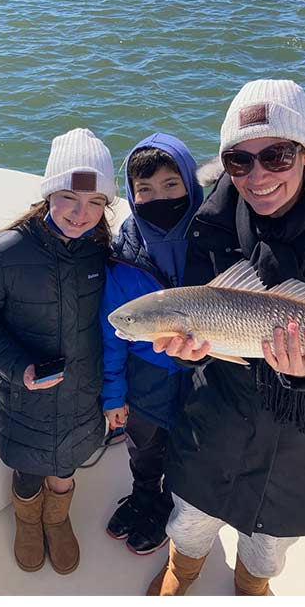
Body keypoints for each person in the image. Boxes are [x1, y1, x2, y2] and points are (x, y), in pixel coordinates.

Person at [147, 79, 305, 595]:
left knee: (269, 540)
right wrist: (191, 355)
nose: (257, 176)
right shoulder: (209, 219)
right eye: (239, 161)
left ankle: (252, 588)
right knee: (191, 516)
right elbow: (200, 319)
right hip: (217, 408)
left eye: (276, 156)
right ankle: (183, 569)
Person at [0, 128, 115, 575]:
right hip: (24, 396)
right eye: (68, 197)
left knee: (68, 464)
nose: (81, 214)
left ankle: (57, 519)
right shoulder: (3, 254)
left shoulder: (102, 252)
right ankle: (29, 520)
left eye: (96, 203)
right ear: (48, 195)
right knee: (27, 468)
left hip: (85, 393)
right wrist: (18, 367)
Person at [101, 133, 203, 554]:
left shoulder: (215, 243)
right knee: (144, 450)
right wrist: (113, 396)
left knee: (188, 454)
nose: (158, 197)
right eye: (144, 190)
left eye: (171, 185)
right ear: (130, 194)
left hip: (205, 378)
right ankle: (145, 496)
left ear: (192, 187)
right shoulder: (122, 257)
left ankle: (171, 510)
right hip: (145, 380)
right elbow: (112, 335)